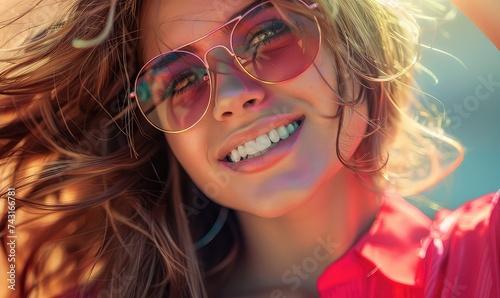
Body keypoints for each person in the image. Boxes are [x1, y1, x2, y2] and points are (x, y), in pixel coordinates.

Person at [0, 0, 498, 297]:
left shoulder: (484, 256)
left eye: (268, 32)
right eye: (176, 79)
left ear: (350, 35)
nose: (232, 98)